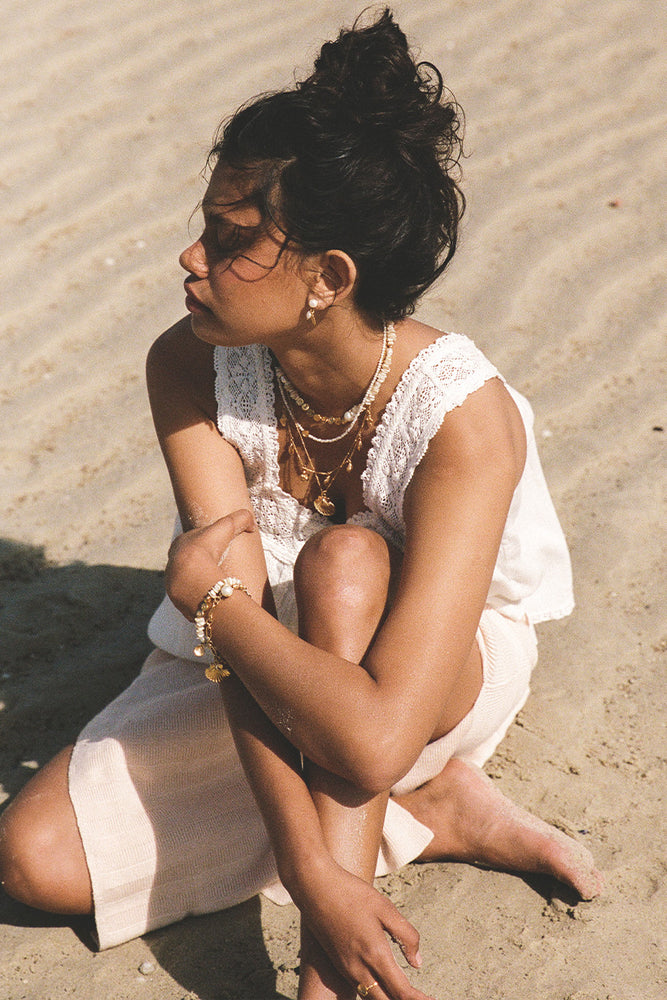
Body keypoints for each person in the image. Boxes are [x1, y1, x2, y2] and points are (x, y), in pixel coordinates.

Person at [0, 10, 603, 1000]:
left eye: (231, 240)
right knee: (34, 860)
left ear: (329, 278)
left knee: (346, 565)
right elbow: (233, 643)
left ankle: (331, 977)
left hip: (430, 685)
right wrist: (313, 870)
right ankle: (427, 815)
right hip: (267, 668)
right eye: (206, 227)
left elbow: (369, 731)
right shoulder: (189, 366)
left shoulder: (463, 419)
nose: (191, 258)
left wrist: (216, 601)